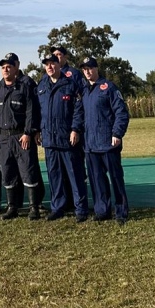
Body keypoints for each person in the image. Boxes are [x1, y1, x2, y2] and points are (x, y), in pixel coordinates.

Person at [79, 56, 130, 224]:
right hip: (91, 145)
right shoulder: (85, 90)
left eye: (90, 68)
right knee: (96, 180)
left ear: (96, 68)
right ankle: (102, 211)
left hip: (108, 142)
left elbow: (121, 113)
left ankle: (121, 212)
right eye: (84, 69)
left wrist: (117, 134)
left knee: (116, 178)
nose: (87, 71)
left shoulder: (108, 87)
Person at [38, 54, 88, 222]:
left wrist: (75, 129)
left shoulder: (70, 84)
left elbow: (78, 109)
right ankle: (57, 207)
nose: (50, 66)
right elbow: (38, 112)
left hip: (67, 138)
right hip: (49, 139)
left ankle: (80, 209)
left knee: (75, 174)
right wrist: (37, 131)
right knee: (54, 175)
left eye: (52, 63)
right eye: (47, 64)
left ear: (59, 65)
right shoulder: (41, 86)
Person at [0, 52, 42, 220]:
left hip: (21, 136)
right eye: (3, 67)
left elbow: (31, 111)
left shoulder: (24, 87)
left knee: (28, 170)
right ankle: (12, 207)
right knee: (8, 171)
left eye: (9, 66)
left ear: (16, 68)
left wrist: (28, 132)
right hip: (4, 138)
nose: (6, 70)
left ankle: (34, 207)